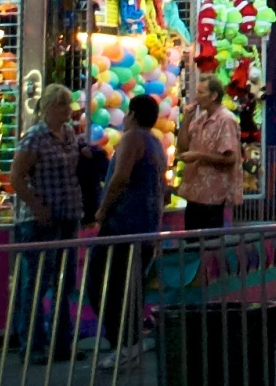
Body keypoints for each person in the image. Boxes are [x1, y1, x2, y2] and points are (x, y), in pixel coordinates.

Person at [89, 96, 169, 369]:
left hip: (122, 226)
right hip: (145, 227)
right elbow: (161, 190)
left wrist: (102, 210)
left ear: (132, 114)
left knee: (103, 287)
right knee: (130, 289)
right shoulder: (156, 143)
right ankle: (131, 342)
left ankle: (122, 344)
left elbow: (120, 177)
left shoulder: (132, 139)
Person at [8, 84, 85, 362]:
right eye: (62, 105)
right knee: (37, 283)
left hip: (67, 215)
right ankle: (32, 344)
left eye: (68, 104)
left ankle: (62, 342)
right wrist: (37, 207)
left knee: (65, 283)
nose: (68, 110)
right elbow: (16, 176)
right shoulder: (35, 137)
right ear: (49, 107)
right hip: (41, 220)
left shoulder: (69, 135)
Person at [175, 76, 242, 231]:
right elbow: (183, 145)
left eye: (201, 92)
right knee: (191, 241)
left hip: (213, 194)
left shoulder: (226, 119)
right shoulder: (200, 119)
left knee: (209, 245)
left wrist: (198, 156)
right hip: (194, 191)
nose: (196, 96)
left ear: (213, 96)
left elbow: (230, 158)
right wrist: (187, 119)